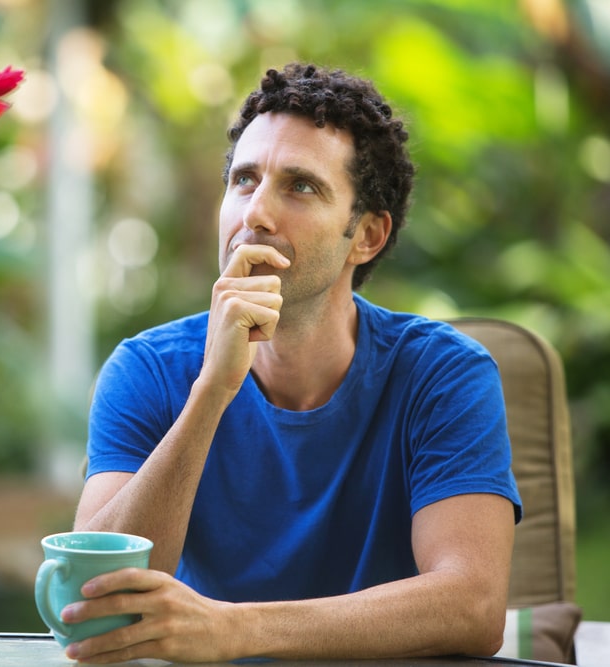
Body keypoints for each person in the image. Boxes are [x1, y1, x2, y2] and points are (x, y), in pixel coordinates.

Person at [67, 62, 522, 664]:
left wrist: (237, 630)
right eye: (244, 180)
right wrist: (212, 391)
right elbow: (90, 600)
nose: (256, 213)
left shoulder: (443, 375)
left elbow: (471, 607)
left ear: (366, 235)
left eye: (300, 186)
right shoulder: (147, 370)